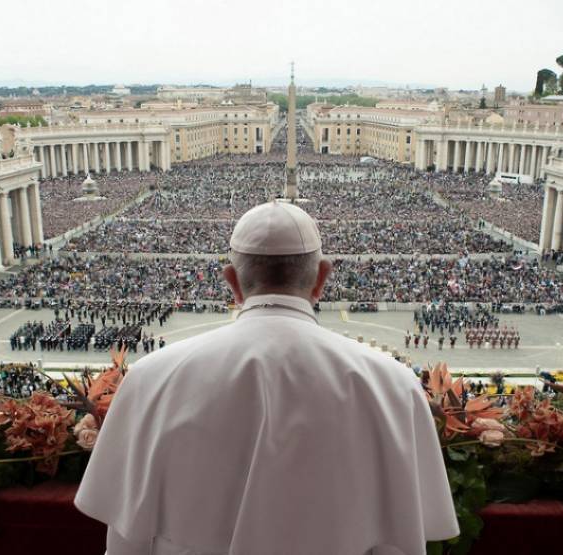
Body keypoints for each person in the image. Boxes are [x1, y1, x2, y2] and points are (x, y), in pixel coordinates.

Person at [76, 201, 458, 554]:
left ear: (232, 281)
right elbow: (399, 541)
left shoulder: (150, 378)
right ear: (322, 278)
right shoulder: (392, 384)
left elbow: (127, 539)